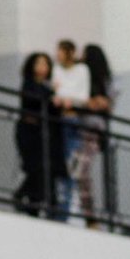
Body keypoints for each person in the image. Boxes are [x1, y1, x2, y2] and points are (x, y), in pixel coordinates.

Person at [13, 52, 65, 219]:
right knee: (35, 167)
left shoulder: (48, 87)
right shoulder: (29, 84)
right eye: (39, 64)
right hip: (30, 133)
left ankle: (35, 203)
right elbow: (33, 101)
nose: (42, 67)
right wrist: (51, 95)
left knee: (44, 168)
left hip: (45, 135)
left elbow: (55, 112)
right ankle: (25, 197)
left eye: (45, 64)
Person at [51, 39, 91, 221]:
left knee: (73, 164)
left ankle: (69, 209)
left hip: (74, 119)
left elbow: (82, 96)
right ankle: (61, 208)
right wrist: (64, 97)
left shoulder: (82, 70)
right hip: (59, 119)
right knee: (60, 164)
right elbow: (56, 95)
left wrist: (66, 97)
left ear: (69, 52)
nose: (57, 54)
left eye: (60, 51)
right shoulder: (57, 69)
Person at [76, 44, 114, 229]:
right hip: (81, 129)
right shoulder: (87, 77)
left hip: (90, 131)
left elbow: (106, 104)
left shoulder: (101, 81)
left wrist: (98, 103)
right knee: (79, 172)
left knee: (81, 172)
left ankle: (89, 215)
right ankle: (85, 213)